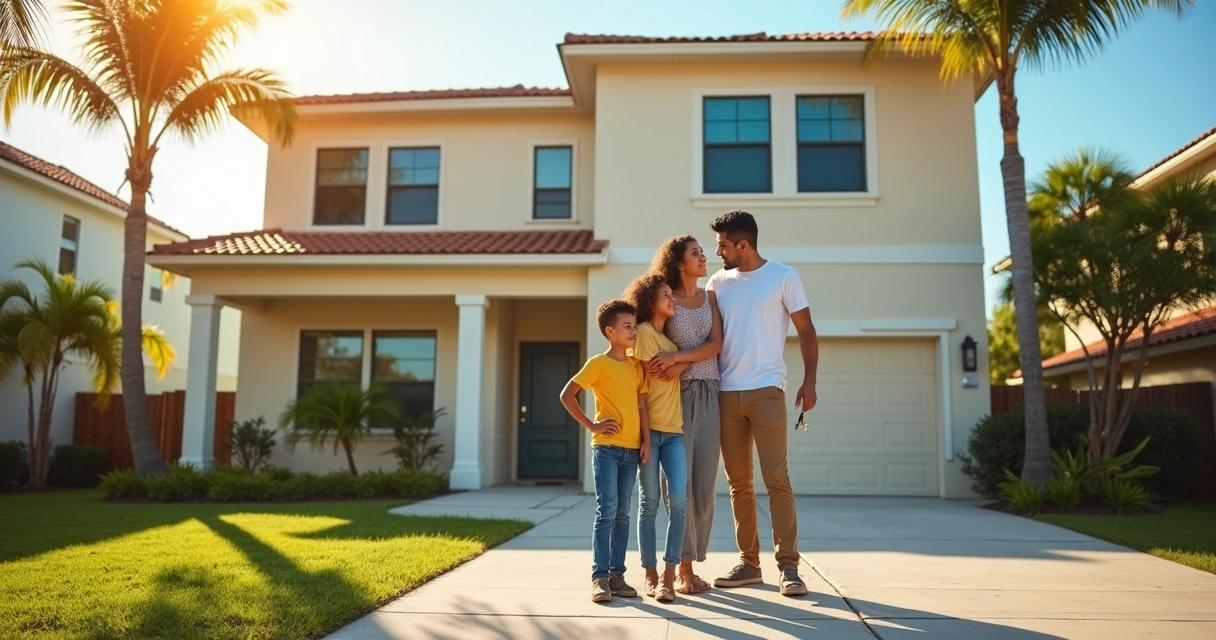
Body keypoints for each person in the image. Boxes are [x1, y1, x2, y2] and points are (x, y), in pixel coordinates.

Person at [705, 211, 819, 597]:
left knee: (777, 479)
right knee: (739, 484)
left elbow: (806, 330)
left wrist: (810, 381)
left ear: (743, 245)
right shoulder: (718, 282)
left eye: (722, 244)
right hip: (725, 393)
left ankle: (789, 567)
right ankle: (749, 563)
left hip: (767, 389)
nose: (717, 251)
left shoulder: (783, 276)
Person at [644, 235, 723, 595]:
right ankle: (683, 570)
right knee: (680, 486)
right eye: (696, 253)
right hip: (676, 398)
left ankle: (692, 560)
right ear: (679, 262)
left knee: (704, 485)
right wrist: (674, 363)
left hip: (710, 395)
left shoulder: (710, 297)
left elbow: (716, 344)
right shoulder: (666, 298)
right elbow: (655, 344)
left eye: (702, 252)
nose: (703, 256)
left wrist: (678, 360)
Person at [558, 299, 651, 603]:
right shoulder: (598, 364)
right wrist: (592, 426)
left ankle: (617, 576)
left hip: (631, 450)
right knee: (607, 511)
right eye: (627, 327)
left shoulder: (637, 366)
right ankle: (599, 578)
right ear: (610, 332)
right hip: (608, 450)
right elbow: (567, 394)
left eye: (634, 326)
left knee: (623, 513)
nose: (633, 331)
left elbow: (641, 405)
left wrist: (646, 440)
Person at [623, 273, 688, 602]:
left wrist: (677, 361)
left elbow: (670, 365)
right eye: (666, 294)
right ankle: (649, 573)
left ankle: (668, 575)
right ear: (651, 301)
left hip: (674, 432)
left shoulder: (672, 345)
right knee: (649, 504)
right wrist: (677, 365)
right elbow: (653, 373)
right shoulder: (646, 332)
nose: (672, 299)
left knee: (678, 501)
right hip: (649, 434)